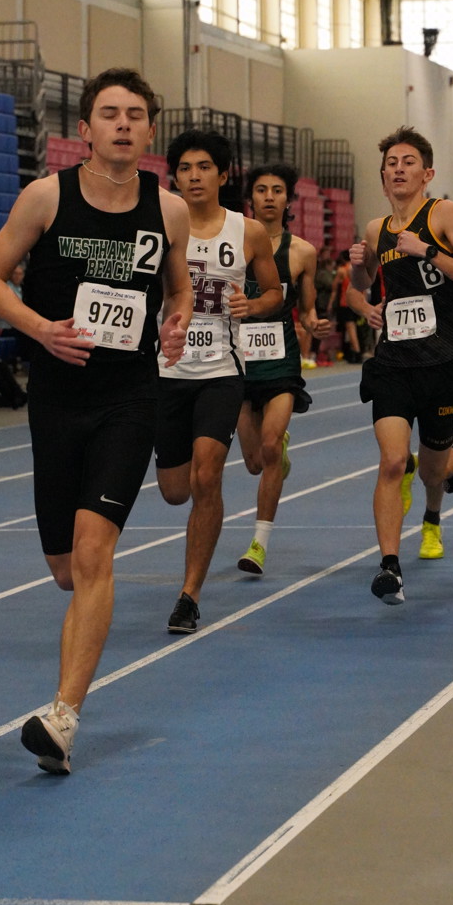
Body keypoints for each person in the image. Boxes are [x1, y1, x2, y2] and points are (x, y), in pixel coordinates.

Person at [0, 67, 193, 775]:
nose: (123, 124)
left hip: (130, 398)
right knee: (67, 570)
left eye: (135, 114)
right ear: (85, 128)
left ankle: (63, 716)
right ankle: (63, 711)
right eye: (109, 113)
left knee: (96, 551)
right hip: (58, 400)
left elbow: (179, 290)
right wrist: (41, 329)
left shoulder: (169, 210)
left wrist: (177, 320)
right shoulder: (45, 197)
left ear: (150, 129)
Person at [348, 127, 453, 604]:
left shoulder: (442, 214)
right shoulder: (375, 229)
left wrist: (427, 250)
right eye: (391, 163)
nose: (399, 169)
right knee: (392, 461)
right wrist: (359, 265)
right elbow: (366, 283)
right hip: (392, 362)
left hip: (442, 361)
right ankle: (390, 566)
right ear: (383, 176)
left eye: (408, 162)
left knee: (431, 471)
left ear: (427, 174)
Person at [158, 130, 282, 635]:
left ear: (223, 174)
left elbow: (274, 292)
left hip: (221, 371)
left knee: (207, 477)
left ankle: (189, 595)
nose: (194, 177)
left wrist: (253, 304)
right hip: (166, 371)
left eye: (204, 167)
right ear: (174, 176)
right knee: (175, 491)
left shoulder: (247, 231)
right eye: (185, 168)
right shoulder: (159, 224)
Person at [235, 163, 329, 575]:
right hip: (239, 363)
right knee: (255, 461)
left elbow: (306, 310)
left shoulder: (302, 252)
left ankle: (259, 543)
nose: (269, 197)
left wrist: (313, 323)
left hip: (280, 361)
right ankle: (278, 454)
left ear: (288, 199)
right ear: (250, 199)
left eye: (277, 190)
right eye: (261, 190)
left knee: (271, 446)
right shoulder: (232, 244)